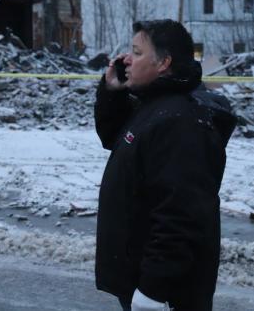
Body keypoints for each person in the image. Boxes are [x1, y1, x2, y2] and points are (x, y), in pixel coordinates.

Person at [94, 20, 236, 311]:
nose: (126, 60)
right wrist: (113, 92)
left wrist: (153, 290)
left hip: (167, 293)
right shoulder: (155, 106)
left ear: (164, 62)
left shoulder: (179, 123)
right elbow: (116, 138)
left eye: (136, 52)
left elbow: (181, 215)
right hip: (144, 279)